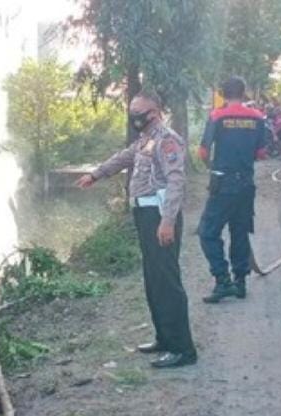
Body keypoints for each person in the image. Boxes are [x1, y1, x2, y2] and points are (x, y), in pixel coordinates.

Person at [76, 91, 198, 369]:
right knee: (153, 280)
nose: (134, 119)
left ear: (154, 113)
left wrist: (167, 221)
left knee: (167, 282)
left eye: (139, 114)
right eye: (132, 113)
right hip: (145, 214)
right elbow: (124, 157)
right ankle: (164, 339)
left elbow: (176, 181)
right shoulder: (146, 139)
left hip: (160, 216)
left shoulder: (167, 140)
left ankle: (183, 349)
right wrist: (96, 174)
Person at [197, 76, 266, 303]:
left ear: (223, 94)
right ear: (244, 93)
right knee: (239, 231)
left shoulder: (217, 116)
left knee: (208, 232)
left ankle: (222, 280)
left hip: (223, 183)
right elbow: (261, 153)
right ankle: (240, 282)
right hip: (246, 184)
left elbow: (203, 152)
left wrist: (213, 169)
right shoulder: (257, 117)